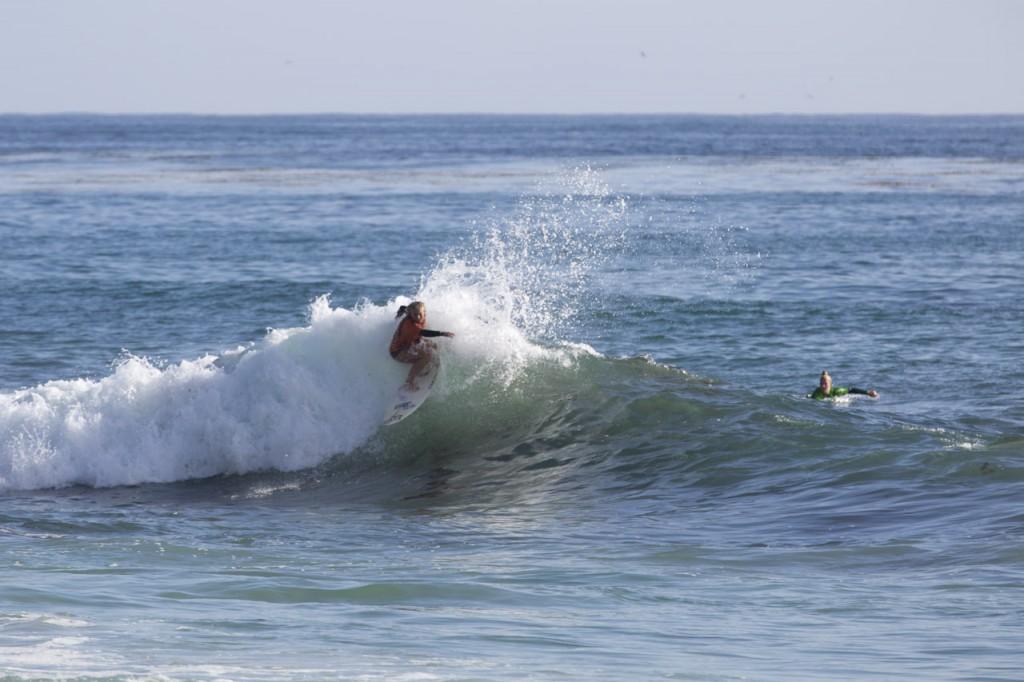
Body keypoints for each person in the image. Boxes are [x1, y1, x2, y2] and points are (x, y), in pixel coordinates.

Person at [389, 301, 454, 390]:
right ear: (411, 315)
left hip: (411, 342)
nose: (418, 317)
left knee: (434, 345)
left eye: (420, 314)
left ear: (424, 313)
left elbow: (403, 308)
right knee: (425, 357)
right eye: (415, 315)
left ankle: (422, 368)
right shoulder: (411, 325)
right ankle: (409, 382)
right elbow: (424, 332)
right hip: (397, 351)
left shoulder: (411, 313)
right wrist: (442, 333)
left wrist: (398, 315)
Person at [810, 370, 878, 400]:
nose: (823, 386)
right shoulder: (817, 392)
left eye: (825, 384)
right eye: (821, 384)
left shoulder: (838, 391)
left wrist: (868, 393)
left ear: (830, 385)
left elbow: (851, 390)